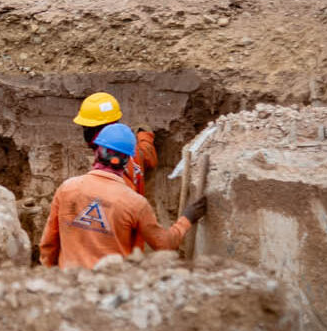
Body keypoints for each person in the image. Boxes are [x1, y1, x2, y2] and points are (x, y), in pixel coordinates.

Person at [40, 123, 207, 270]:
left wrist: (54, 281)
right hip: (114, 288)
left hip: (69, 284)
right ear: (127, 160)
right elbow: (165, 244)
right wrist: (187, 219)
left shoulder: (67, 188)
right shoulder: (135, 203)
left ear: (97, 152)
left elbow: (48, 244)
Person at [73, 92, 158, 195]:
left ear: (95, 131)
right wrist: (144, 135)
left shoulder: (107, 167)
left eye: (86, 127)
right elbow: (148, 155)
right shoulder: (131, 149)